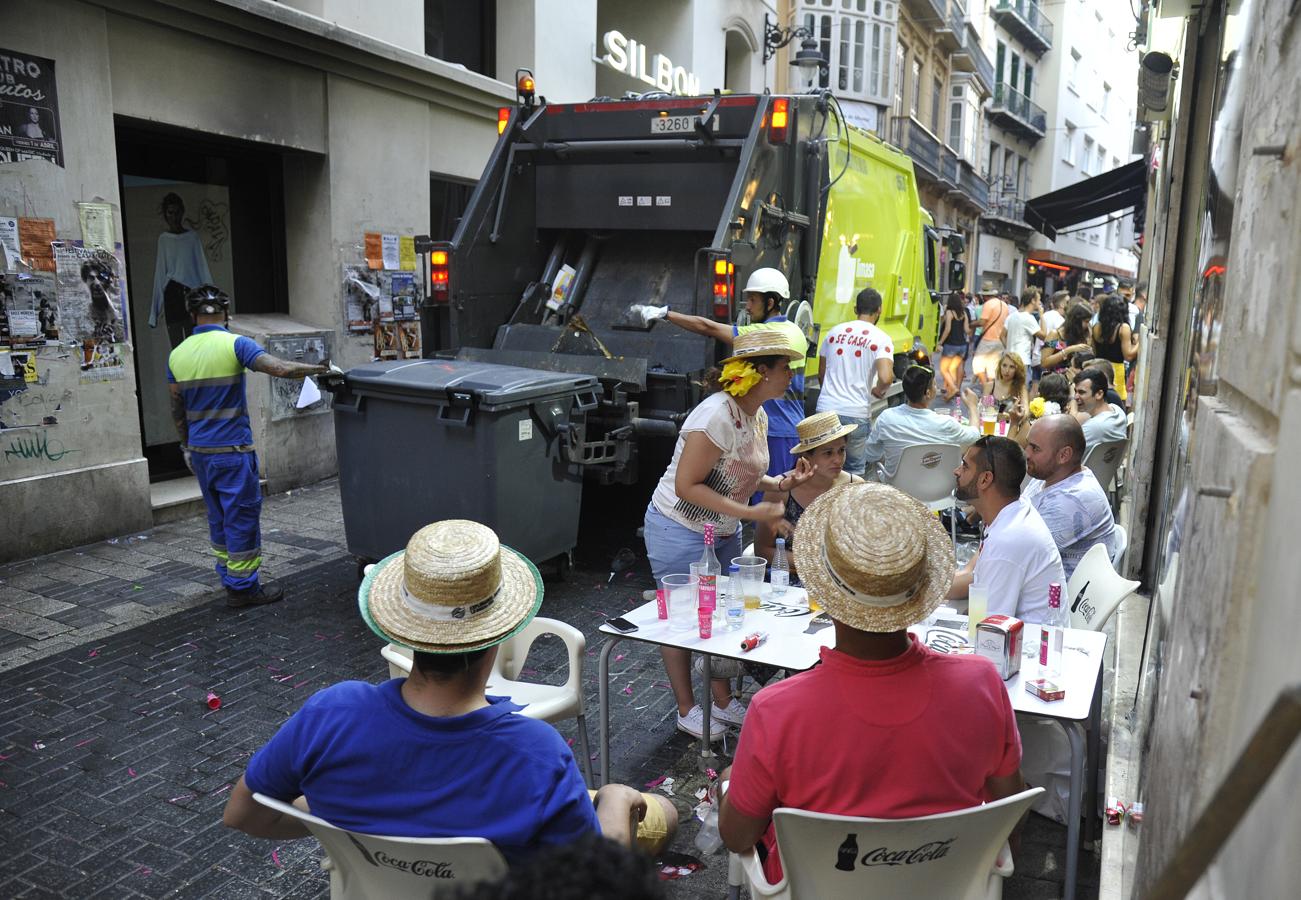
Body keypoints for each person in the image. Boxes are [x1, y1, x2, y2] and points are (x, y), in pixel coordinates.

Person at [222, 520, 677, 860]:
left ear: (405, 630)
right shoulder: (535, 754)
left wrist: (339, 822)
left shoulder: (331, 714)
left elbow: (242, 813)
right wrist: (617, 800)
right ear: (498, 637)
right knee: (653, 810)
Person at [717, 483, 1025, 885]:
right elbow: (1010, 815)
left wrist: (728, 787)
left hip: (814, 891)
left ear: (823, 593)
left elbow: (737, 835)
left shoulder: (776, 711)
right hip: (945, 888)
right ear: (920, 591)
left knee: (728, 781)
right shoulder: (982, 684)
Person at [644, 328, 814, 740]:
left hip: (720, 530)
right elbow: (688, 485)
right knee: (683, 620)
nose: (790, 375)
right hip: (678, 527)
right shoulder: (715, 415)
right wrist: (749, 511)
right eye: (784, 368)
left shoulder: (757, 416)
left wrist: (784, 482)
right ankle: (686, 709)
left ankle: (721, 703)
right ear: (759, 372)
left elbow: (745, 477)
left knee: (719, 616)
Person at [167, 285, 329, 606]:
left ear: (192, 315)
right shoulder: (236, 344)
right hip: (232, 451)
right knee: (240, 516)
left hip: (200, 453)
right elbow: (281, 368)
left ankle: (228, 576)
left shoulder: (177, 353)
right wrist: (320, 369)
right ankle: (244, 589)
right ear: (226, 314)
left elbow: (177, 408)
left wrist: (186, 446)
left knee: (217, 516)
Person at [639, 268, 809, 482]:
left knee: (764, 502)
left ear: (771, 302)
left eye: (753, 300)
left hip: (774, 431)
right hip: (786, 427)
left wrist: (665, 314)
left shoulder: (765, 334)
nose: (747, 307)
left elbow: (707, 327)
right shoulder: (794, 330)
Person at [947, 436, 1066, 623]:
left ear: (985, 479)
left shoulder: (1006, 541)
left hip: (1027, 646)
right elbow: (972, 573)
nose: (956, 471)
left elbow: (987, 630)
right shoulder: (1011, 509)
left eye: (965, 466)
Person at [754, 411, 864, 584]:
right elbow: (762, 550)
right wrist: (813, 563)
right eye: (828, 453)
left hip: (841, 580)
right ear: (806, 457)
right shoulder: (781, 488)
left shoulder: (855, 486)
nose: (837, 459)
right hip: (790, 578)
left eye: (841, 450)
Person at [1022, 415, 1117, 579]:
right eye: (1027, 445)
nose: (1026, 454)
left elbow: (1017, 555)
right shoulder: (1051, 476)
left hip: (1057, 598)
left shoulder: (1072, 501)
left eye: (1035, 448)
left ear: (1064, 455)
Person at [814, 287, 895, 476]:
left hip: (825, 410)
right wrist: (878, 390)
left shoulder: (833, 333)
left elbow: (821, 374)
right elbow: (886, 377)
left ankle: (825, 505)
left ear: (855, 308)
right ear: (879, 310)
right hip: (855, 413)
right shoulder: (881, 338)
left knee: (823, 470)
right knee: (853, 474)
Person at [863, 365, 981, 481]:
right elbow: (975, 436)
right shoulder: (945, 424)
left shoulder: (886, 418)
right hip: (939, 490)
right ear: (928, 393)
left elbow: (870, 454)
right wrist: (972, 406)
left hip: (898, 491)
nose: (937, 387)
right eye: (935, 384)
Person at [149, 193, 215, 348]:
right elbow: (160, 275)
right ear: (165, 214)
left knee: (195, 343)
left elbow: (202, 267)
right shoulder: (164, 239)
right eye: (170, 212)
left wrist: (212, 299)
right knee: (177, 346)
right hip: (172, 295)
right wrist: (154, 313)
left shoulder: (192, 237)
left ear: (182, 212)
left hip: (191, 296)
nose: (173, 216)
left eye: (177, 212)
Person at [1092, 293, 1140, 404]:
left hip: (1097, 368)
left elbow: (1094, 350)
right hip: (1115, 372)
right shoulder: (1123, 328)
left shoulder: (1097, 326)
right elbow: (1128, 355)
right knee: (1116, 405)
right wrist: (1140, 342)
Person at [1073, 369, 1128, 457]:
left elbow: (1066, 453)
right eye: (1075, 391)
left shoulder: (1095, 426)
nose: (1075, 397)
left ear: (1099, 394)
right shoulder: (1117, 410)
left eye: (1081, 392)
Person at [972, 287, 1010, 393]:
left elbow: (982, 322)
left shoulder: (988, 305)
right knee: (992, 369)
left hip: (988, 340)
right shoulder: (1004, 305)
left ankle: (986, 388)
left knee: (977, 365)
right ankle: (991, 395)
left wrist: (971, 324)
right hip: (1000, 341)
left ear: (985, 296)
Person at [1041, 301, 1094, 376]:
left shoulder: (1083, 334)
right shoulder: (1055, 335)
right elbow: (1044, 362)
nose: (1088, 324)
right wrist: (1069, 350)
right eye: (1086, 321)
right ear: (1076, 321)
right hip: (1056, 380)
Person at [937, 290, 970, 401]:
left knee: (944, 369)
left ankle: (953, 387)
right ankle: (957, 389)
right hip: (962, 345)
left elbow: (947, 329)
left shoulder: (950, 312)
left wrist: (940, 342)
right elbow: (966, 329)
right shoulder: (964, 313)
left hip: (951, 344)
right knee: (959, 367)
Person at [1003, 288, 1044, 369]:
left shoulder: (1011, 316)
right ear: (1033, 300)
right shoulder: (1029, 318)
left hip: (1008, 358)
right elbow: (1043, 335)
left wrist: (1008, 348)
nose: (1040, 303)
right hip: (1022, 360)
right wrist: (1042, 315)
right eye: (1039, 300)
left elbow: (1002, 335)